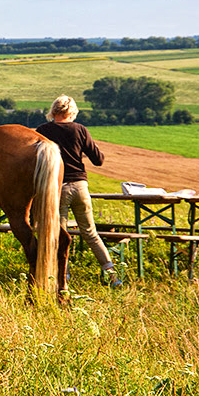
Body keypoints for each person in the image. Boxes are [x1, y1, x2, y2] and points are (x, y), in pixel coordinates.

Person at [36, 95, 122, 287]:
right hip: (80, 187)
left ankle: (63, 279)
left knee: (59, 235)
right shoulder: (80, 130)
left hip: (57, 189)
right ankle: (112, 276)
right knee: (91, 233)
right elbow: (98, 159)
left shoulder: (43, 131)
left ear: (54, 111)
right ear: (72, 112)